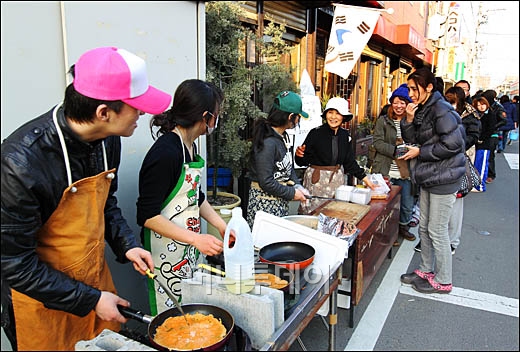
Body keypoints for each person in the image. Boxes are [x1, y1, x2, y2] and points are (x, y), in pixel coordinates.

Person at [1, 46, 169, 350]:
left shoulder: (108, 140)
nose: (143, 113)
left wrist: (127, 245)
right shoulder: (21, 163)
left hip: (94, 281)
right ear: (103, 112)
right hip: (41, 302)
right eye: (136, 107)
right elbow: (14, 263)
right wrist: (88, 299)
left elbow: (106, 203)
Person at [136, 79, 228, 314]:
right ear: (206, 116)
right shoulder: (165, 153)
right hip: (164, 252)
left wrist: (220, 225)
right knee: (170, 316)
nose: (216, 120)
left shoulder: (190, 147)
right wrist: (196, 239)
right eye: (216, 115)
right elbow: (147, 215)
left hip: (186, 248)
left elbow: (196, 197)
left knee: (189, 310)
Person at [399, 67, 466, 294]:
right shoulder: (424, 108)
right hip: (430, 176)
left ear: (428, 87)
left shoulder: (441, 109)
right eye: (409, 89)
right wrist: (408, 119)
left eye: (413, 88)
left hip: (444, 178)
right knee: (425, 228)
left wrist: (421, 153)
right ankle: (426, 270)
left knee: (437, 230)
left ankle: (444, 280)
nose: (411, 94)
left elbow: (454, 144)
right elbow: (414, 140)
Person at [294, 97, 377, 214]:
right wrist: (299, 155)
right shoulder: (315, 133)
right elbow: (302, 161)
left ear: (343, 116)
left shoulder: (345, 135)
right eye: (330, 112)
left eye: (338, 113)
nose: (333, 117)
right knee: (314, 214)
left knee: (335, 213)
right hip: (316, 182)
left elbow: (349, 162)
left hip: (337, 180)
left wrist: (365, 179)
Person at [246, 91, 311, 228]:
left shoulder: (282, 136)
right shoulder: (268, 142)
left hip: (279, 202)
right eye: (298, 117)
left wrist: (297, 186)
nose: (298, 121)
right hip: (265, 205)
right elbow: (266, 182)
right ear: (290, 117)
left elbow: (288, 166)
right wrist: (293, 193)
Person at [371, 84, 416, 243]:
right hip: (386, 168)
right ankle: (388, 233)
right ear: (391, 103)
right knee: (385, 205)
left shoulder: (415, 121)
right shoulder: (383, 121)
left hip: (406, 171)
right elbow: (377, 143)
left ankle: (402, 228)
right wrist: (398, 151)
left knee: (406, 203)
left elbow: (417, 143)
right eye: (396, 102)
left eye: (403, 102)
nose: (399, 106)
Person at [472, 95, 498, 192]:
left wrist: (481, 138)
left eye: (483, 104)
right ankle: (476, 183)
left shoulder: (490, 114)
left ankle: (480, 186)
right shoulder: (477, 115)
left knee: (483, 163)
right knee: (477, 163)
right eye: (478, 105)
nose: (481, 106)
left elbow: (490, 129)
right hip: (477, 142)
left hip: (486, 142)